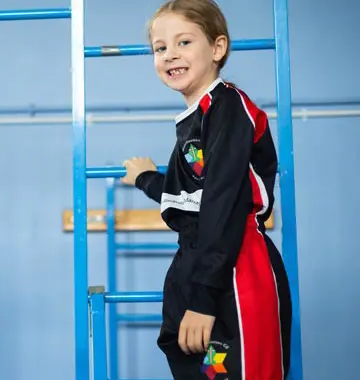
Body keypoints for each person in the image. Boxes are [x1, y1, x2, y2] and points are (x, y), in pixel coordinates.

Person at [120, 0, 291, 378]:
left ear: (217, 48)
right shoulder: (193, 120)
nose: (170, 55)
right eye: (160, 48)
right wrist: (146, 178)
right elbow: (190, 197)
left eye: (183, 42)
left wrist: (202, 298)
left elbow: (223, 200)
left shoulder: (228, 106)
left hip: (235, 265)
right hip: (198, 262)